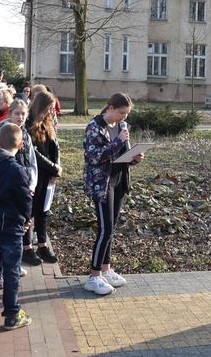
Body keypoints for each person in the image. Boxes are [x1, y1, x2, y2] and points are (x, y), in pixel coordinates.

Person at [82, 93, 145, 295]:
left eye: (126, 113)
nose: (124, 118)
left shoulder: (123, 127)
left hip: (118, 181)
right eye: (121, 113)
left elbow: (121, 155)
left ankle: (106, 269)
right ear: (110, 108)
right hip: (101, 184)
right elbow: (95, 157)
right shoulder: (95, 126)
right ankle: (93, 276)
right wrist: (117, 141)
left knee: (112, 227)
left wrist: (134, 157)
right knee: (105, 229)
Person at [0, 123, 33, 330]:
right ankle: (11, 313)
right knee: (11, 271)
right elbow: (25, 200)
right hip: (10, 226)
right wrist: (27, 219)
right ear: (20, 145)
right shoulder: (16, 170)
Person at [22, 91, 62, 265]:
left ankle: (42, 246)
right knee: (30, 212)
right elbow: (34, 154)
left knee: (43, 211)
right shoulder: (29, 123)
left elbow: (55, 147)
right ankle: (27, 248)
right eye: (50, 109)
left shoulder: (48, 123)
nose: (52, 112)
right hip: (33, 174)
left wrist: (56, 169)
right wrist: (53, 167)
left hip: (47, 175)